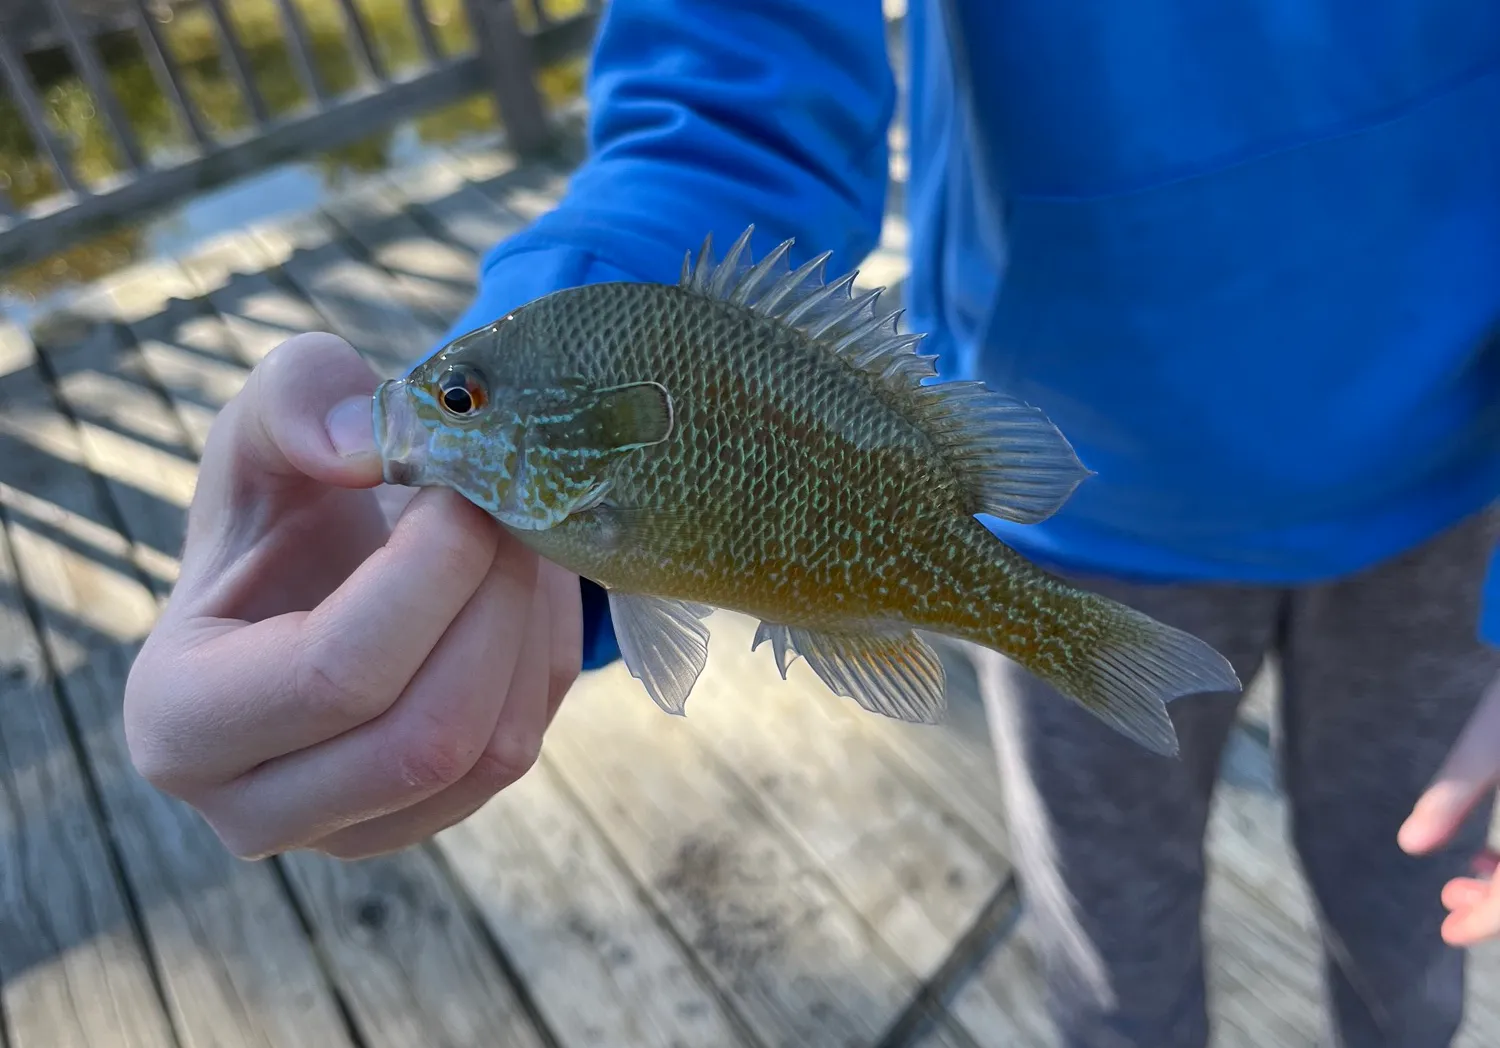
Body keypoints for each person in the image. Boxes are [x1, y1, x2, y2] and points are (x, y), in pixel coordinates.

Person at [122, 1, 1500, 1045]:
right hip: (1076, 524)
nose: (451, 409)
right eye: (469, 397)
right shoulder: (573, 444)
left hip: (1454, 499)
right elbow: (732, 101)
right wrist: (487, 567)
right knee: (1113, 940)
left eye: (466, 396)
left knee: (1409, 908)